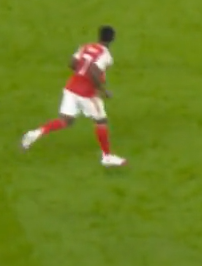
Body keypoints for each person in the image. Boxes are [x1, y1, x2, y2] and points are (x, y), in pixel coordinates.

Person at [20, 25, 128, 167]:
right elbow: (94, 70)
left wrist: (81, 74)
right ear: (112, 39)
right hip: (87, 94)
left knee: (66, 121)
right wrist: (103, 90)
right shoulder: (106, 56)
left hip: (71, 88)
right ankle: (107, 157)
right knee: (101, 121)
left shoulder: (86, 46)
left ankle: (35, 133)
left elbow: (72, 63)